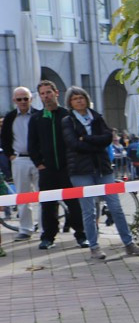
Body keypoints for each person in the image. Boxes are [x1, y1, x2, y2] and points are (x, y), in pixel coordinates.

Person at [60, 86, 139, 260]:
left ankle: (129, 244)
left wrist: (88, 139)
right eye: (75, 98)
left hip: (102, 167)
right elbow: (73, 143)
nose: (79, 101)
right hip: (80, 170)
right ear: (70, 102)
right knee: (89, 211)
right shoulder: (68, 121)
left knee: (115, 207)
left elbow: (107, 138)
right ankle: (94, 246)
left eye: (81, 97)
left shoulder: (96, 117)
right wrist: (94, 143)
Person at [27, 80, 87, 250]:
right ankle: (48, 237)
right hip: (47, 169)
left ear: (56, 93)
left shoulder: (68, 114)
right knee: (47, 205)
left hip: (68, 169)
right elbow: (32, 144)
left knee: (74, 203)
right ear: (40, 96)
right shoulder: (37, 118)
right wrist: (39, 163)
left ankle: (81, 235)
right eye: (43, 93)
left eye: (49, 92)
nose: (46, 96)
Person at [2, 87, 39, 240]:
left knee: (43, 196)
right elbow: (5, 138)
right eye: (19, 99)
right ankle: (25, 228)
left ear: (31, 99)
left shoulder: (39, 115)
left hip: (38, 161)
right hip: (19, 159)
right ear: (14, 101)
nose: (23, 102)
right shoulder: (10, 117)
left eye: (26, 98)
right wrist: (11, 155)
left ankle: (45, 229)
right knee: (23, 197)